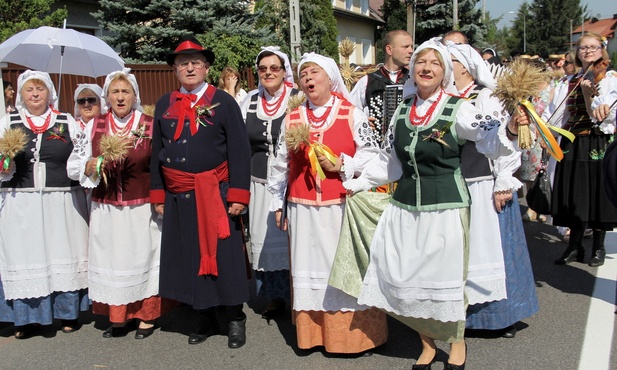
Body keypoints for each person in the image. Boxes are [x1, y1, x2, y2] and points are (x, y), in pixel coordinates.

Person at [344, 39, 526, 368]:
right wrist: (357, 183)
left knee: (445, 279)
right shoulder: (402, 109)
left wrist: (510, 128)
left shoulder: (461, 108)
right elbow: (391, 163)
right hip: (404, 208)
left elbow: (489, 136)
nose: (426, 67)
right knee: (410, 280)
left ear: (444, 74)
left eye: (435, 63)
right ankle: (426, 345)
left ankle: (457, 344)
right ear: (412, 68)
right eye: (421, 62)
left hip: (446, 208)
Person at [268, 52, 387, 354]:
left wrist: (343, 165)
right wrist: (277, 202)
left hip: (341, 206)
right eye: (303, 73)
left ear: (330, 79)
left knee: (343, 268)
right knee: (309, 268)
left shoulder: (351, 113)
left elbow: (373, 155)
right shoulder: (292, 118)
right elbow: (279, 164)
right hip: (304, 208)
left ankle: (350, 338)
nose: (308, 78)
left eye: (314, 72)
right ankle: (313, 336)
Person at [150, 35, 251, 348]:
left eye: (195, 62)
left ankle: (235, 317)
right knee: (191, 256)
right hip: (179, 198)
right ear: (175, 70)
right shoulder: (165, 104)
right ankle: (203, 316)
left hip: (217, 195)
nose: (189, 68)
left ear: (207, 67)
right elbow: (157, 152)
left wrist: (237, 195)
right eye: (183, 63)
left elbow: (239, 151)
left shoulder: (223, 102)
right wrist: (158, 195)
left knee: (226, 256)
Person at [446, 41, 539, 339]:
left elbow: (504, 140)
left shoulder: (485, 96)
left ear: (464, 65)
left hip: (486, 184)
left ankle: (498, 316)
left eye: (449, 59)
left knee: (491, 250)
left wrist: (503, 181)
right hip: (456, 186)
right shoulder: (444, 97)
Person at [67, 68, 168, 339]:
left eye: (125, 91)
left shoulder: (148, 123)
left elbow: (161, 164)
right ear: (107, 96)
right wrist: (89, 165)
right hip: (106, 207)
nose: (120, 97)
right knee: (113, 262)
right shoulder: (94, 125)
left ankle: (146, 316)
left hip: (141, 207)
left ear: (134, 95)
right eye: (115, 92)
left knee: (142, 258)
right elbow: (74, 165)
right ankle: (119, 317)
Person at [0, 70, 89, 338]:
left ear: (50, 92)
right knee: (26, 255)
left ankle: (67, 313)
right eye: (29, 90)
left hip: (60, 199)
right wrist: (5, 161)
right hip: (21, 201)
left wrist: (82, 167)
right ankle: (27, 319)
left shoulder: (67, 121)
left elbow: (82, 156)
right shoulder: (8, 122)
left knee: (63, 252)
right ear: (21, 95)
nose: (35, 94)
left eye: (40, 89)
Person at [543, 32, 617, 267]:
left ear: (601, 50)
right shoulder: (571, 79)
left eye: (593, 47)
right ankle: (574, 247)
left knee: (598, 193)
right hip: (573, 140)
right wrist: (548, 134)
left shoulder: (609, 78)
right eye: (583, 47)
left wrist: (588, 93)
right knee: (575, 195)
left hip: (597, 140)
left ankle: (598, 247)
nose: (588, 51)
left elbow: (602, 118)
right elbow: (562, 113)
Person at [240, 46, 297, 322]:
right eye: (263, 69)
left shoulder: (297, 99)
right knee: (266, 242)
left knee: (293, 241)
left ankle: (298, 297)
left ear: (284, 71)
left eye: (274, 68)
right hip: (259, 184)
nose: (268, 73)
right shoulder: (250, 101)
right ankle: (274, 297)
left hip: (293, 184)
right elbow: (238, 142)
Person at [350, 30, 413, 142]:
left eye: (411, 46)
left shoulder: (413, 80)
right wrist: (363, 122)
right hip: (377, 148)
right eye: (405, 47)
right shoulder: (367, 81)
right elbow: (350, 111)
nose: (411, 51)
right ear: (389, 49)